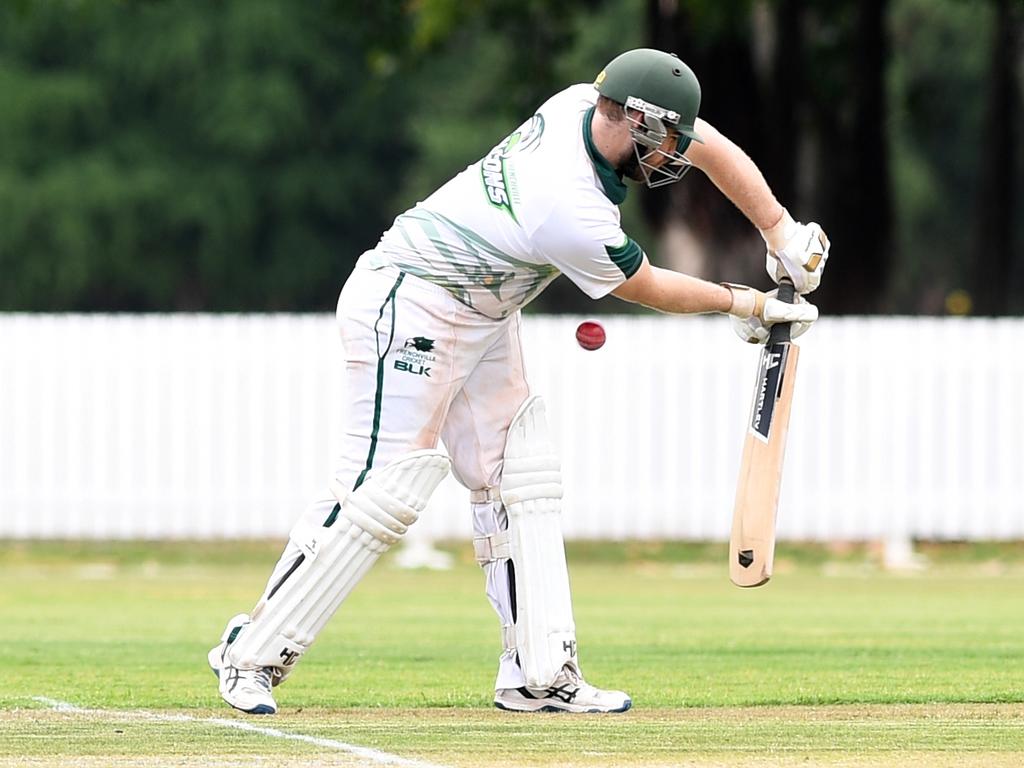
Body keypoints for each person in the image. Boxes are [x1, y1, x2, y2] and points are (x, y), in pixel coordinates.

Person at [208, 48, 829, 715]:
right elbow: (643, 283)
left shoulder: (584, 103)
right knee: (381, 487)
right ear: (630, 119)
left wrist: (781, 232)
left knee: (519, 475)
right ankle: (251, 653)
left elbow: (713, 148)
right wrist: (749, 304)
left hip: (484, 310)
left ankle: (538, 672)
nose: (674, 155)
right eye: (665, 140)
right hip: (410, 299)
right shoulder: (566, 205)